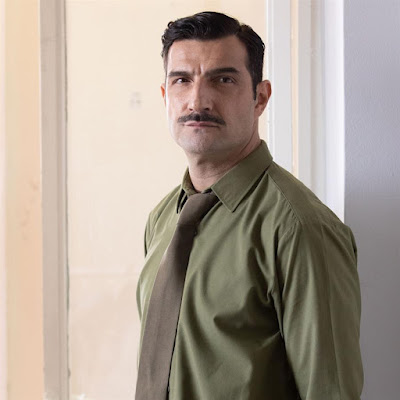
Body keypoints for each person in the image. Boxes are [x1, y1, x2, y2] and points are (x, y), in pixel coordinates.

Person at [135, 11, 363, 400]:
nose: (198, 100)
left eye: (223, 80)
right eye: (182, 80)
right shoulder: (162, 219)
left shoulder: (299, 229)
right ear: (165, 96)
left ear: (260, 97)